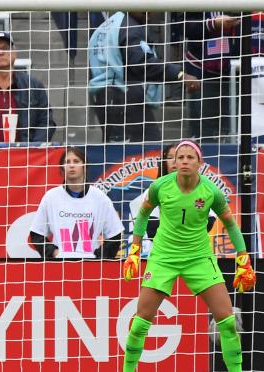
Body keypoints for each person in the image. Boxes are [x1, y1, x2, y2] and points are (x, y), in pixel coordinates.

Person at [122, 140, 256, 372]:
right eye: (179, 157)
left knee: (227, 321)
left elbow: (231, 225)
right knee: (139, 324)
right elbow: (142, 215)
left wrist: (243, 258)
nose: (183, 161)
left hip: (199, 258)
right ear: (173, 162)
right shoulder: (160, 187)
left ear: (199, 163)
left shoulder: (211, 190)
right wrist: (134, 250)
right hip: (164, 257)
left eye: (189, 157)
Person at [88, 11, 200, 143]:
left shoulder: (106, 25)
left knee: (116, 153)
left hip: (103, 97)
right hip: (122, 98)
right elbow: (143, 64)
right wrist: (180, 74)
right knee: (148, 150)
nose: (148, 10)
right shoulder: (131, 29)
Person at [29, 147, 123, 259]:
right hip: (60, 265)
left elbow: (115, 235)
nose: (71, 165)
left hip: (90, 267)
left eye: (76, 161)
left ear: (84, 166)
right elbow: (36, 234)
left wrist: (98, 257)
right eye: (67, 162)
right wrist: (52, 253)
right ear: (62, 168)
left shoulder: (100, 198)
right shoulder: (51, 197)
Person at [184, 12, 242, 142]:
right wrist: (213, 24)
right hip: (201, 67)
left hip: (239, 68)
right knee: (205, 127)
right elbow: (183, 26)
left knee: (236, 124)